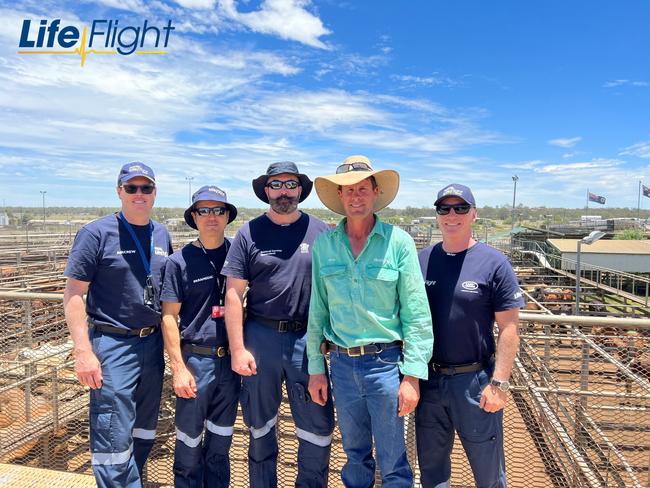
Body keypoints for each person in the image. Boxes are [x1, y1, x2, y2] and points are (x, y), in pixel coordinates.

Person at [307, 155, 433, 488]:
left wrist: (413, 376)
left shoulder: (399, 243)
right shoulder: (325, 245)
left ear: (375, 192)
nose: (356, 197)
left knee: (394, 461)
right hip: (343, 366)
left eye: (363, 188)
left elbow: (416, 314)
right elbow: (317, 311)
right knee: (354, 455)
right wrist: (316, 368)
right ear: (339, 197)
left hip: (386, 365)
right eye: (348, 191)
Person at [222, 162, 335, 488]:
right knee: (259, 426)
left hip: (306, 339)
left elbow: (334, 288)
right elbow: (233, 294)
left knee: (316, 424)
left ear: (300, 189)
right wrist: (238, 349)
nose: (283, 191)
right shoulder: (249, 232)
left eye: (290, 184)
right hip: (261, 337)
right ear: (266, 191)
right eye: (276, 185)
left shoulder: (321, 233)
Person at [63, 162, 172, 488]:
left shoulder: (162, 233)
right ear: (119, 191)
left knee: (144, 427)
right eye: (131, 188)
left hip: (151, 344)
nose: (139, 194)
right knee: (112, 430)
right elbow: (73, 294)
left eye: (146, 188)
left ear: (154, 192)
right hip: (113, 344)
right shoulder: (96, 233)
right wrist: (83, 351)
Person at [416, 183, 524, 488]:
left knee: (488, 472)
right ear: (437, 215)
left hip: (474, 381)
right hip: (429, 380)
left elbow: (510, 328)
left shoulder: (494, 263)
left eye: (461, 208)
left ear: (473, 214)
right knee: (432, 471)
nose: (452, 215)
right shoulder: (421, 260)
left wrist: (499, 383)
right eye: (444, 209)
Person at [160, 185, 240, 488]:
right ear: (193, 216)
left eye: (218, 210)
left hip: (229, 363)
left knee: (220, 444)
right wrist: (179, 368)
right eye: (203, 210)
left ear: (227, 216)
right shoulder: (179, 262)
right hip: (197, 362)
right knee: (189, 443)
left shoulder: (238, 254)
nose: (211, 216)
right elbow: (169, 316)